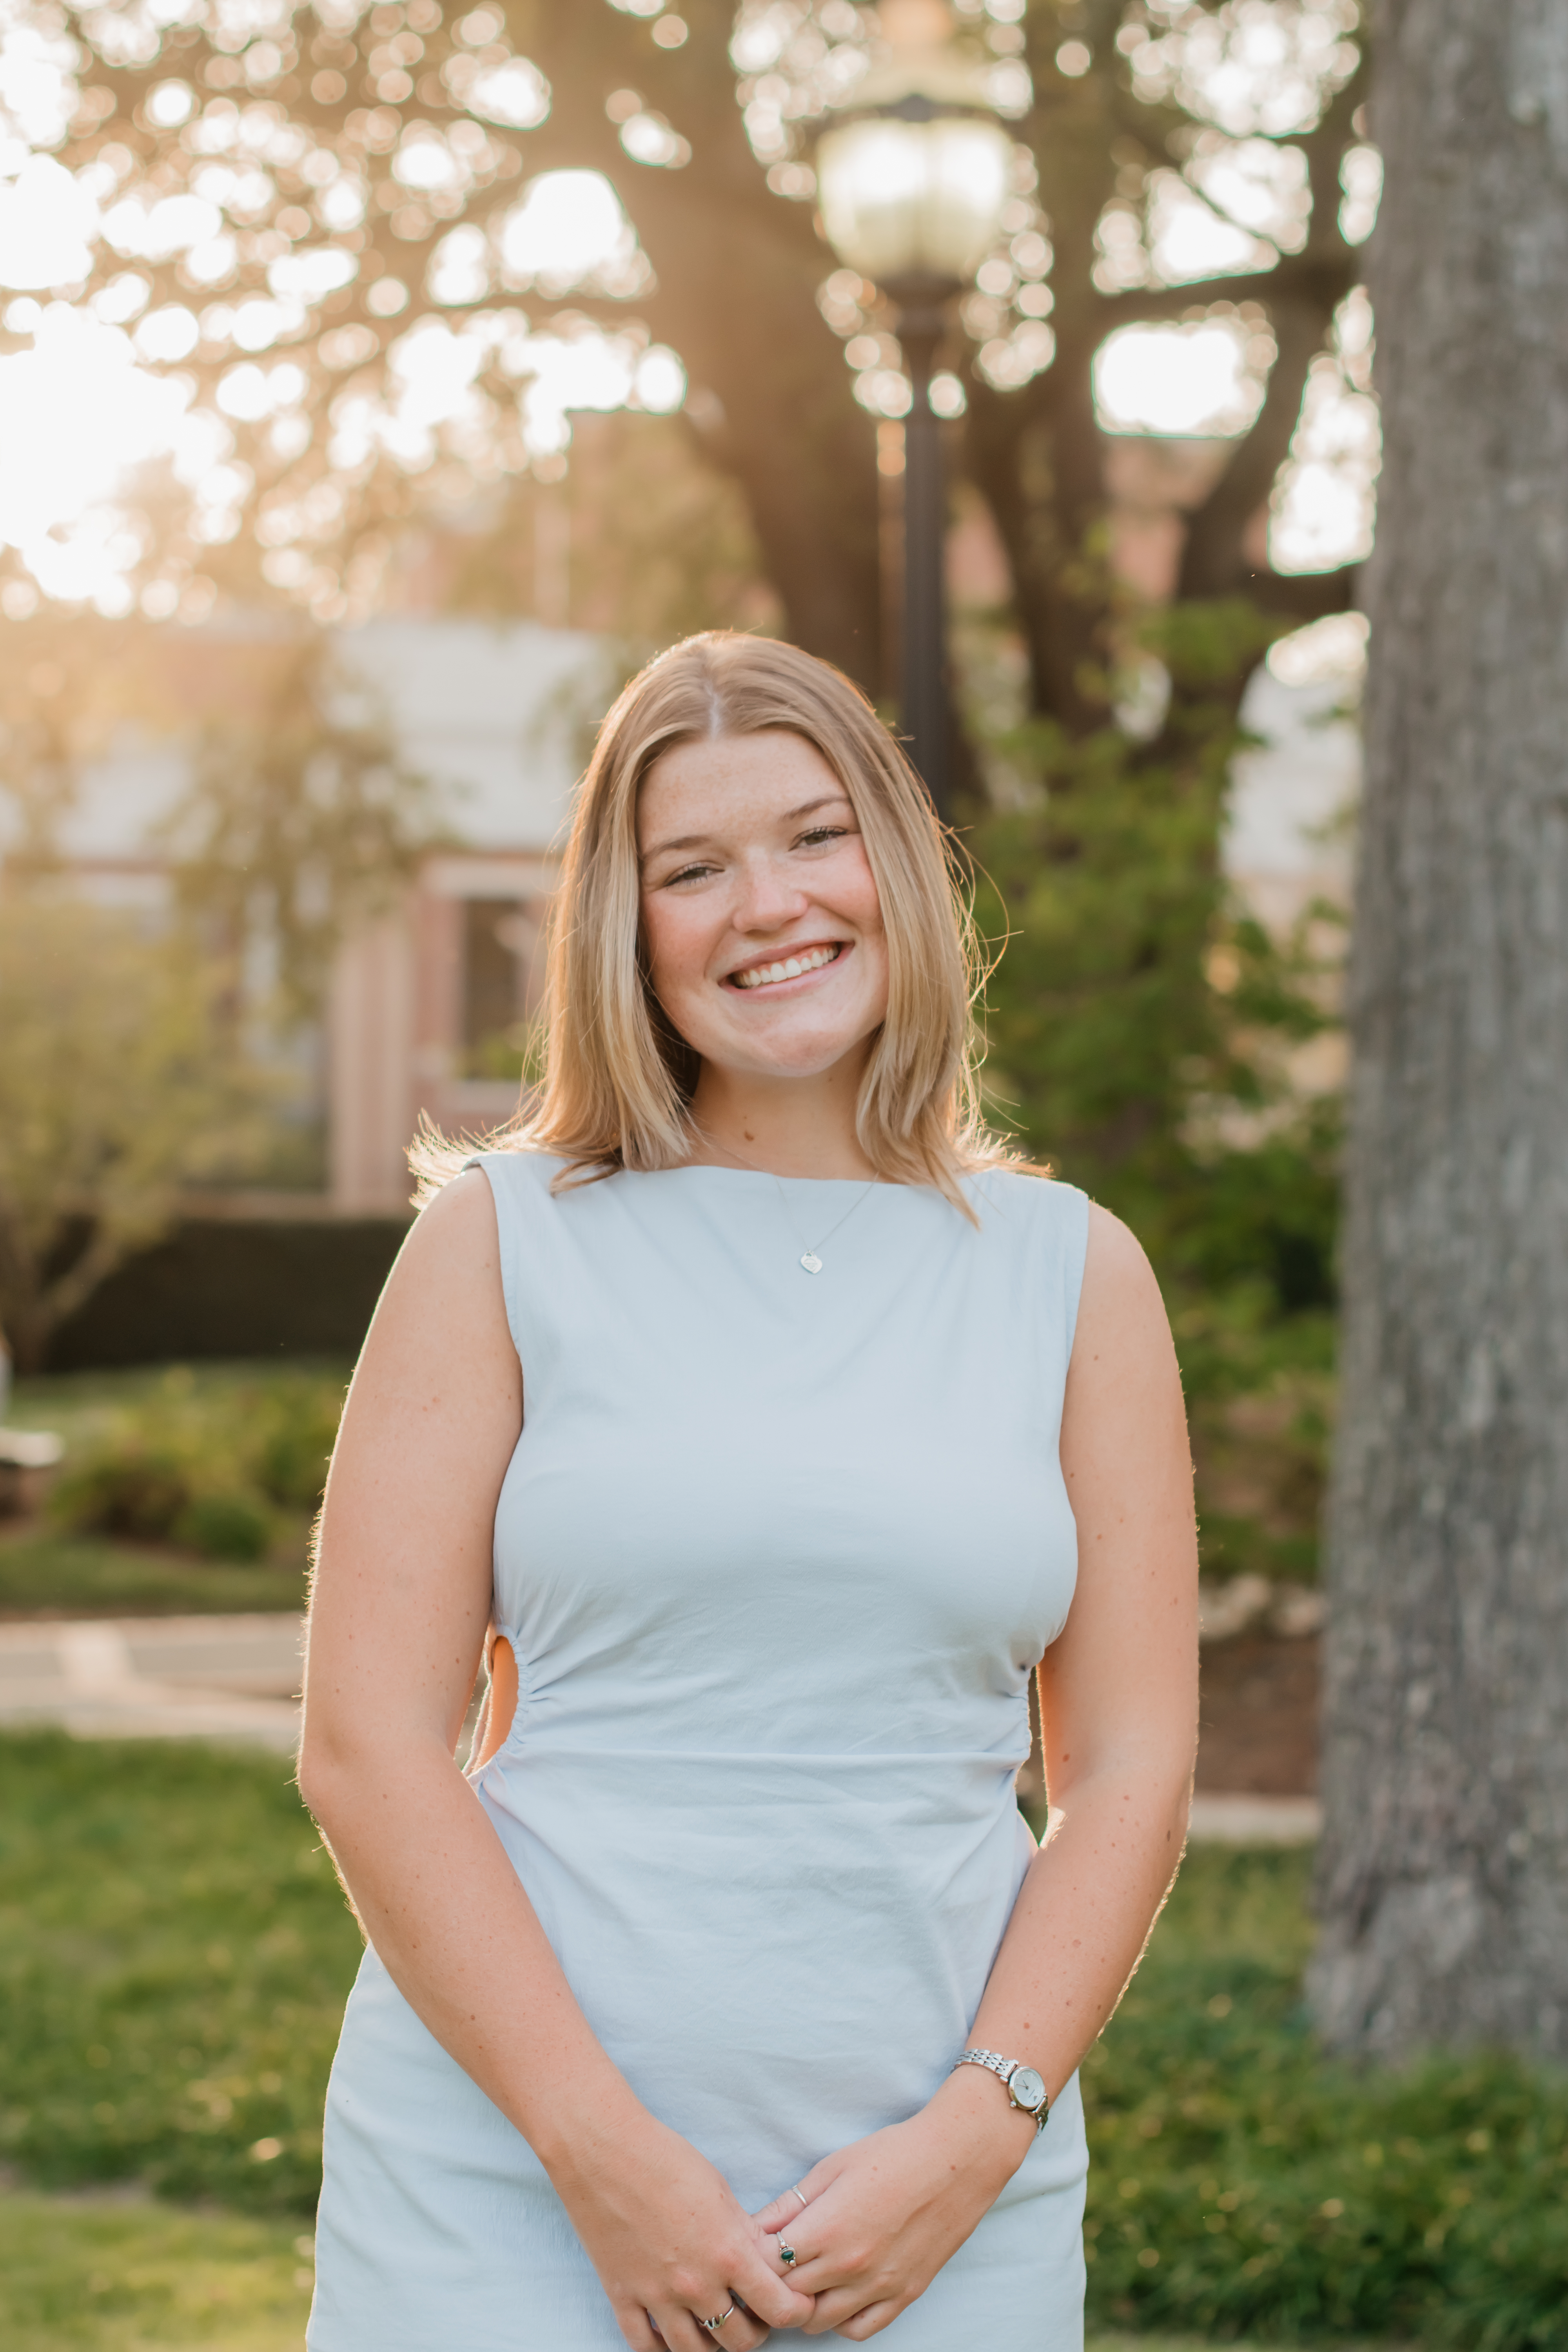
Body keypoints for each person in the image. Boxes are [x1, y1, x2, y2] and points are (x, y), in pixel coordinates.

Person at [299, 632, 1198, 2352]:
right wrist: (599, 2155)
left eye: (811, 836)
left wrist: (979, 2129)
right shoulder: (503, 1241)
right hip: (512, 2183)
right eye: (690, 869)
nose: (766, 905)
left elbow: (1131, 1764)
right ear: (622, 931)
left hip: (938, 2203)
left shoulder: (1073, 1274)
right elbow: (367, 1745)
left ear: (899, 864)